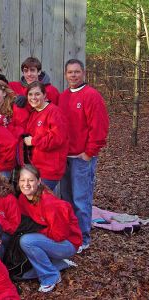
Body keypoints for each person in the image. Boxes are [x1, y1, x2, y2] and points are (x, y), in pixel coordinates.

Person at [59, 59, 109, 253]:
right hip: (65, 157)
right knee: (67, 199)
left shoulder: (91, 95)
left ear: (83, 73)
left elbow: (100, 127)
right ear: (65, 74)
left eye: (77, 72)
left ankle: (83, 238)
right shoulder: (63, 97)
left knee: (81, 199)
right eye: (70, 72)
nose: (73, 75)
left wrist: (89, 153)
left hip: (81, 157)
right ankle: (72, 234)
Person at [17, 164, 82, 292]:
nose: (26, 184)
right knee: (24, 238)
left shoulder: (49, 203)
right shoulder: (22, 198)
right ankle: (58, 263)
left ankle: (50, 276)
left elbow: (59, 235)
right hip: (50, 239)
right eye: (23, 180)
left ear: (39, 181)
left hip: (68, 243)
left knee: (27, 241)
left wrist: (37, 230)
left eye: (31, 180)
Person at [23, 81, 68, 190]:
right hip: (36, 167)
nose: (33, 97)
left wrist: (33, 141)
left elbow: (57, 139)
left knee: (40, 200)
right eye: (30, 94)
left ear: (45, 95)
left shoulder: (54, 112)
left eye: (37, 94)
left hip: (50, 169)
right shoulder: (34, 113)